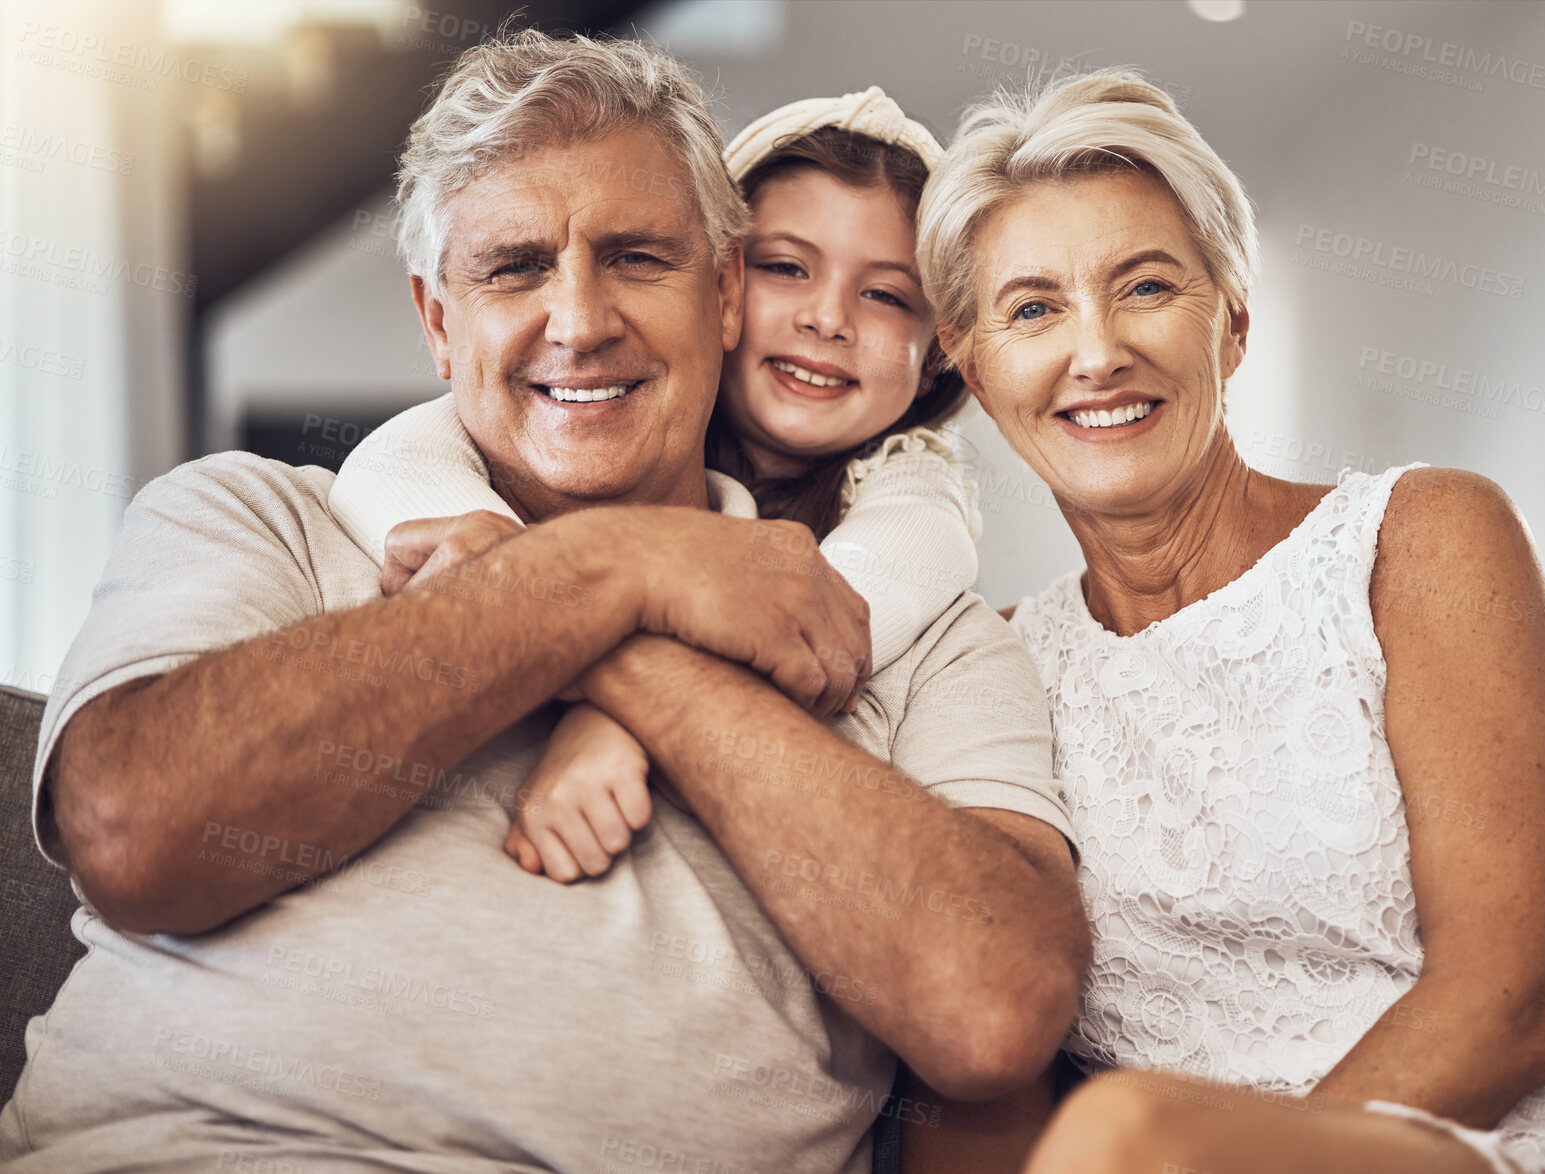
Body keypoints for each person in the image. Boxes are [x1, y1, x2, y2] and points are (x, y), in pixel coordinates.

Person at [0, 32, 1090, 1173]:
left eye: (635, 258)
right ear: (436, 319)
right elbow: (131, 835)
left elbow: (995, 1007)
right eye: (515, 267)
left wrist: (617, 628)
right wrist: (598, 572)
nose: (578, 322)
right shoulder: (254, 516)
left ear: (721, 296)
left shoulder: (924, 630)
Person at [900, 68, 1545, 1173]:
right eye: (1034, 309)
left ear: (1230, 325)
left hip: (1522, 1150)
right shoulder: (989, 674)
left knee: (1126, 1135)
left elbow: (1509, 1011)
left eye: (1143, 288)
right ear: (977, 372)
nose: (1096, 351)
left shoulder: (1420, 541)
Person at [330, 87, 982, 884]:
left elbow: (834, 614)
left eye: (884, 294)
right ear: (726, 292)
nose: (828, 318)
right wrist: (503, 577)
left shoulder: (911, 485)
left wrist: (617, 716)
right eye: (787, 268)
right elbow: (390, 464)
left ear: (939, 351)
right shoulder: (610, 409)